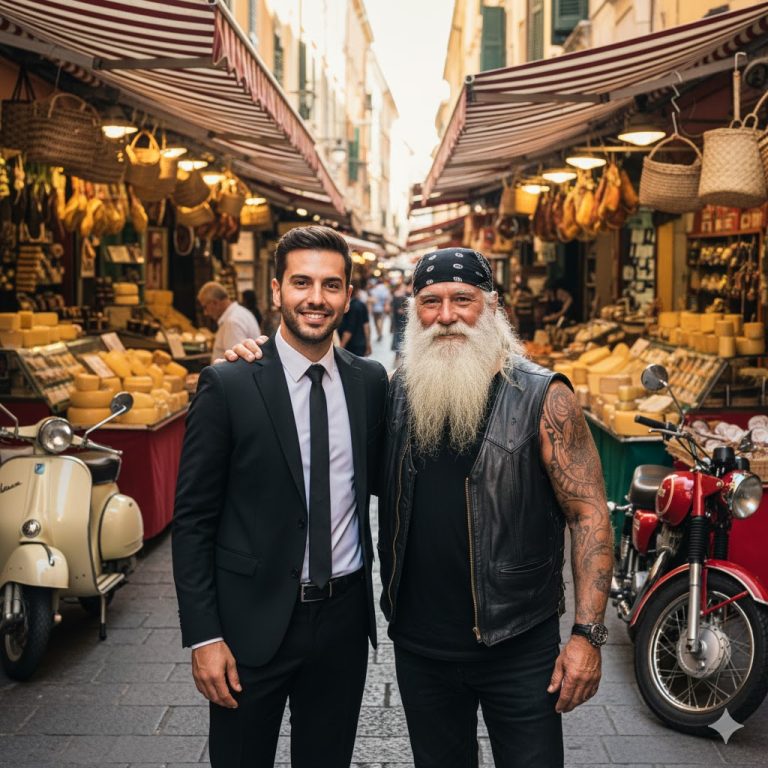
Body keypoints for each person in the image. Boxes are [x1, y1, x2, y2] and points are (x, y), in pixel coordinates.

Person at [224, 247, 613, 768]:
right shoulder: (396, 393)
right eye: (430, 301)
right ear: (414, 310)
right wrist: (261, 361)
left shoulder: (544, 397)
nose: (446, 315)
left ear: (492, 306)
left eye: (462, 300)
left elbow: (589, 514)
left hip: (518, 645)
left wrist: (587, 636)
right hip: (421, 648)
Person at [173, 226, 388, 768]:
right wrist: (204, 637)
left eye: (331, 285)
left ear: (347, 295)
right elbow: (194, 520)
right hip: (250, 625)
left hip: (341, 623)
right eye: (302, 282)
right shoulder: (228, 384)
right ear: (275, 291)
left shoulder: (370, 383)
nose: (316, 298)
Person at [197, 281, 261, 363]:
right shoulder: (240, 312)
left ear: (215, 303)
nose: (205, 313)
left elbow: (235, 363)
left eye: (205, 307)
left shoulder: (232, 322)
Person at [338, 289, 371, 357]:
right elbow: (366, 326)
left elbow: (349, 329)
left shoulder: (348, 307)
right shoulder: (361, 305)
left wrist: (340, 348)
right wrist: (368, 344)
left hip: (348, 346)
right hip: (360, 344)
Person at [390, 277, 410, 367]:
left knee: (399, 339)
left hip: (399, 322)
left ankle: (397, 359)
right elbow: (398, 311)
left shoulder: (399, 295)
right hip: (400, 322)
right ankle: (398, 360)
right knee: (400, 339)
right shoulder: (400, 296)